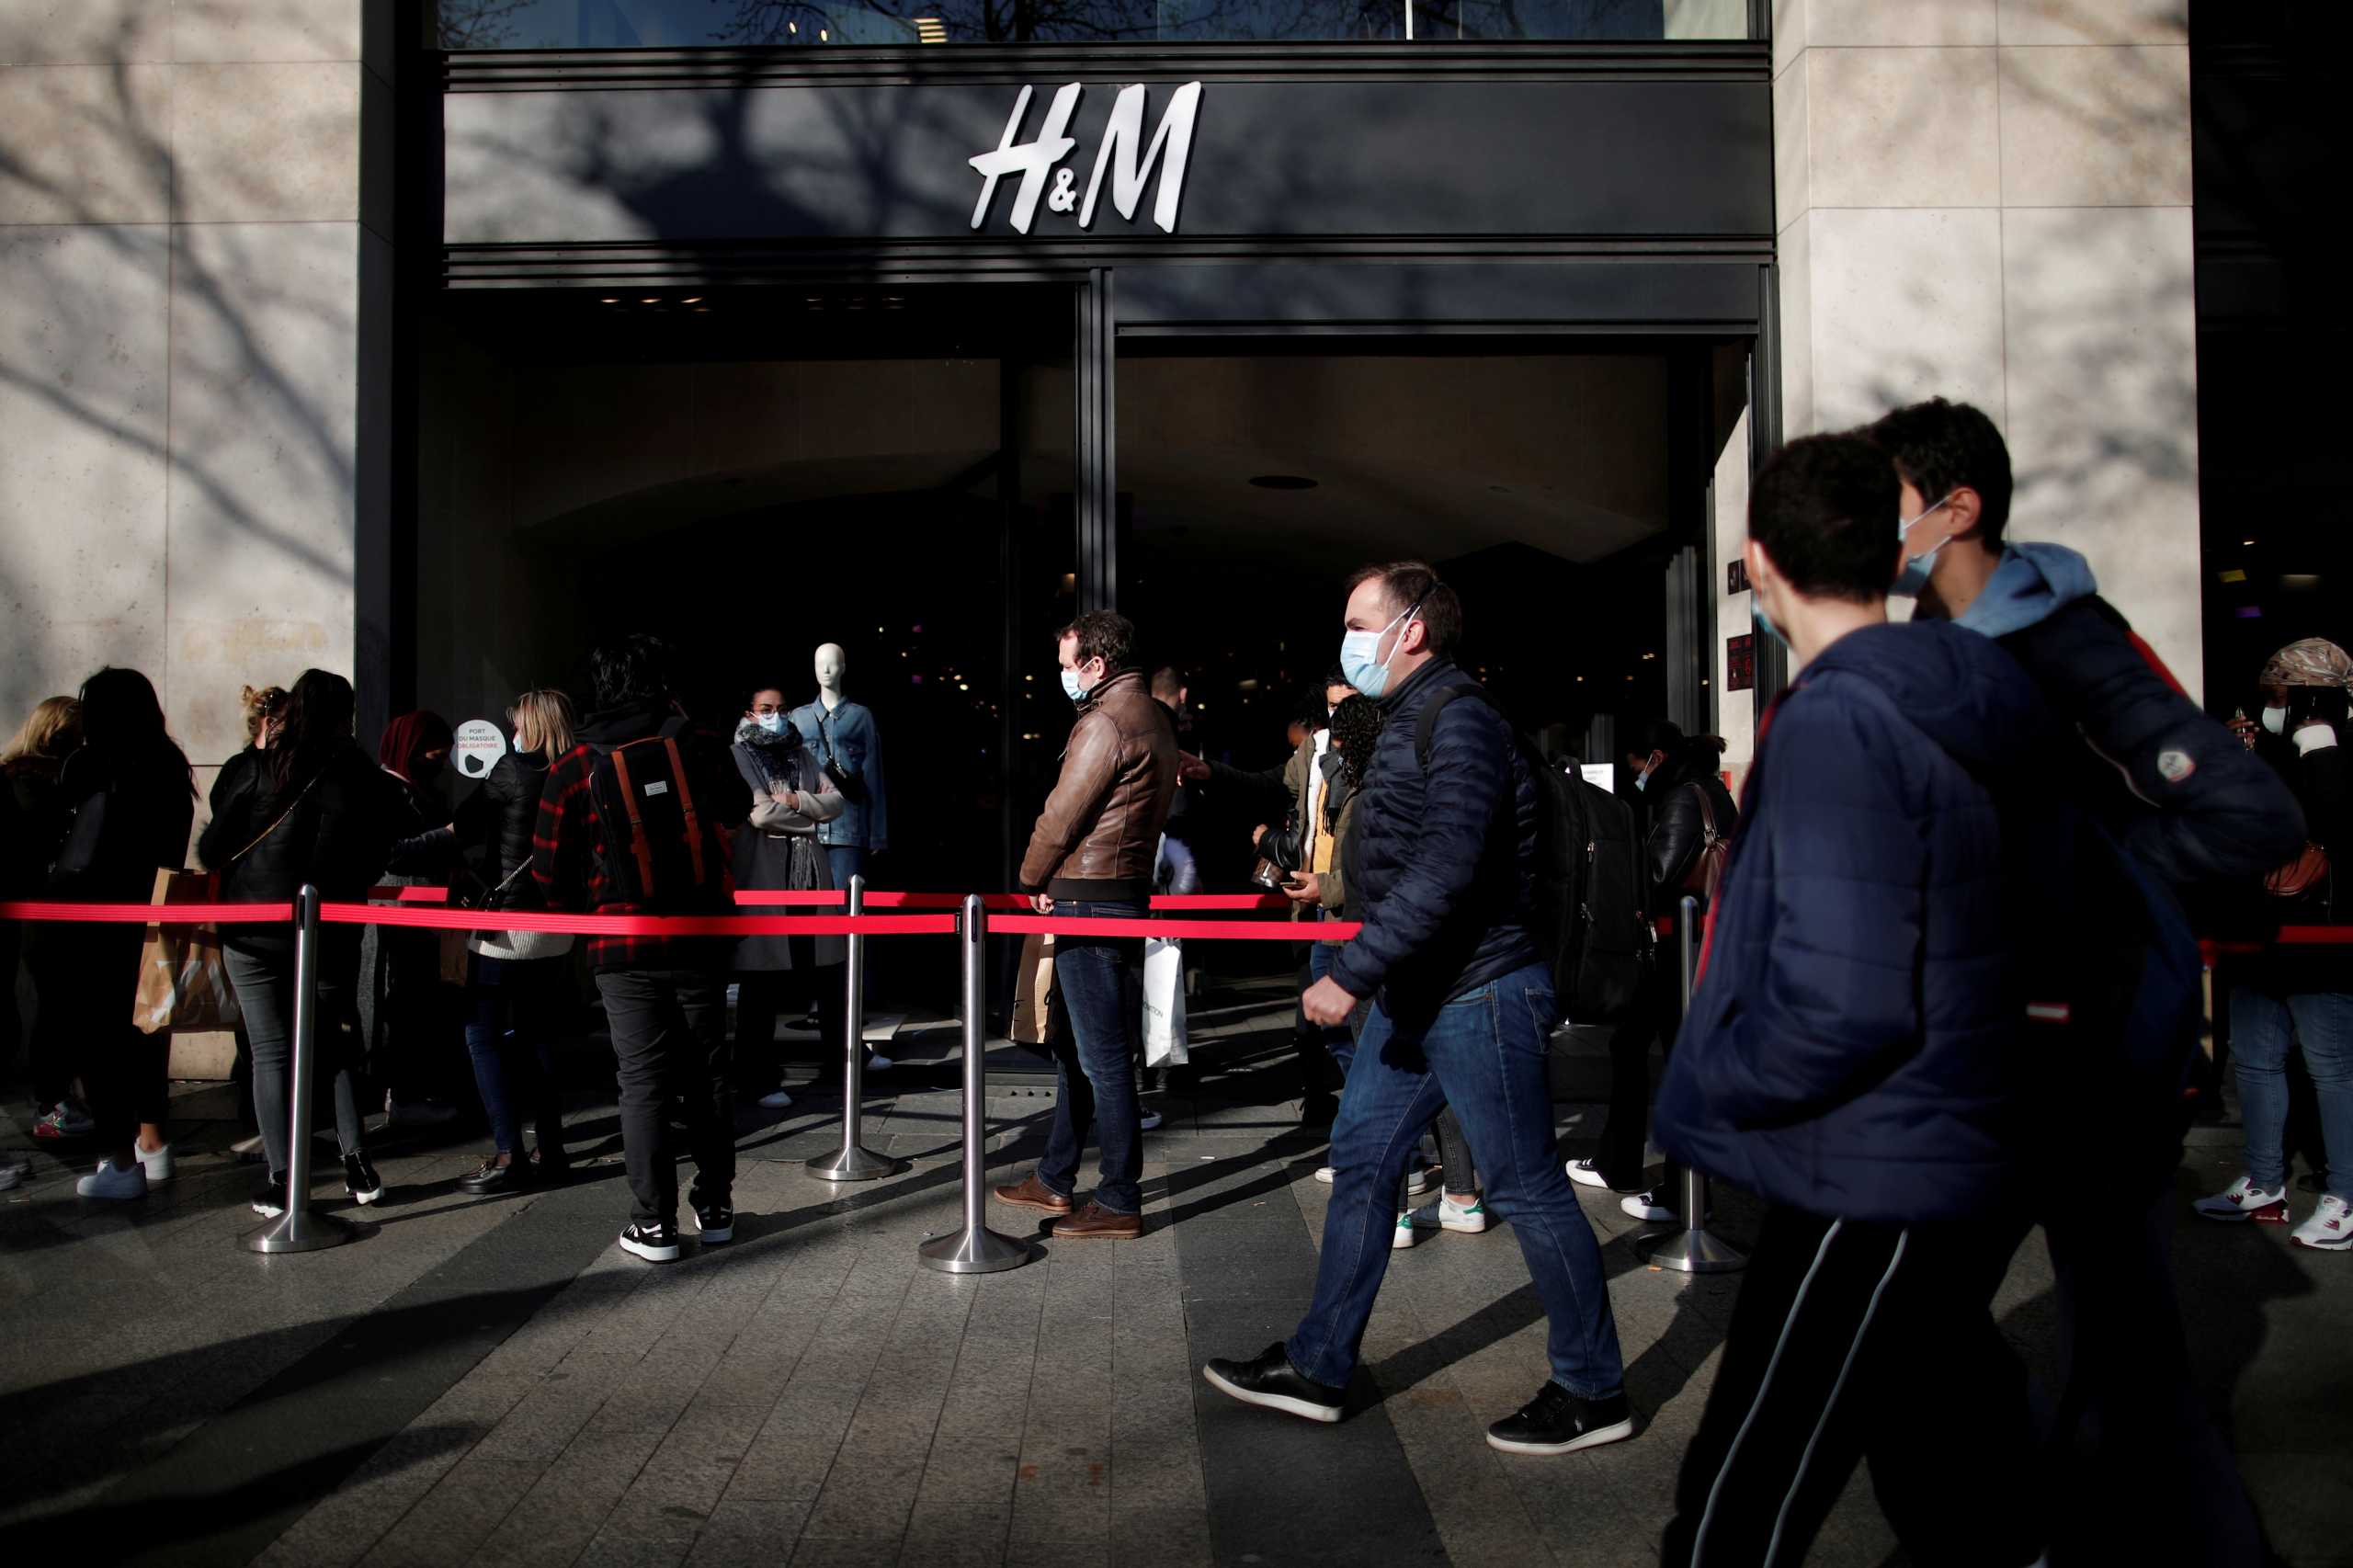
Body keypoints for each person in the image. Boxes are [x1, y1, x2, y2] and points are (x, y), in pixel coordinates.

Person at [1654, 433, 2088, 1567]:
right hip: (1950, 1126)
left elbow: (1844, 1002)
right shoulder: (1971, 691)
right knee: (1944, 1446)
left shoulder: (1844, 718)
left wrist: (1713, 1079)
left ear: (1757, 561)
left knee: (1746, 1482)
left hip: (1873, 1150)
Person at [1871, 396, 2285, 1565]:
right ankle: (2027, 1521)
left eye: (1881, 501)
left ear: (1955, 510)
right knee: (1999, 1331)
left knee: (2105, 1353)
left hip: (2088, 1060)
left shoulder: (2062, 639)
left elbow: (2251, 811)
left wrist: (2082, 878)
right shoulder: (1943, 653)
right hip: (1995, 1052)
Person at [1203, 562, 1631, 1457]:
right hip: (1421, 996)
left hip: (1475, 992)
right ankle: (1320, 1365)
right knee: (1363, 1164)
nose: (1347, 638)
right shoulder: (1412, 717)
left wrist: (1349, 971)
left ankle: (1593, 1387)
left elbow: (1447, 867)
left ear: (1412, 631)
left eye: (1360, 621)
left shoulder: (1459, 717)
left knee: (1528, 1188)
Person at [533, 635, 752, 1264]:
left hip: (620, 942)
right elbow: (737, 811)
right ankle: (715, 1207)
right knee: (708, 1070)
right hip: (701, 935)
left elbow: (550, 870)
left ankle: (653, 1224)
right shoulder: (701, 744)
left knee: (643, 1080)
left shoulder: (573, 766)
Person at [993, 611, 1176, 1242]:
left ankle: (1120, 1197)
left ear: (1097, 665)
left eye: (1069, 664)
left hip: (1087, 902)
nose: (1064, 676)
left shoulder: (1104, 722)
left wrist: (1030, 879)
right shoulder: (1153, 716)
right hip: (1122, 897)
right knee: (1081, 1050)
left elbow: (1062, 814)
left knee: (1101, 1059)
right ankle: (1054, 1176)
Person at [1287, 691, 1484, 1246]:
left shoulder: (1376, 799)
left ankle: (1395, 1206)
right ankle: (1462, 1195)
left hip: (1375, 948)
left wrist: (1353, 972)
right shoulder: (1422, 789)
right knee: (1429, 1071)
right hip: (1423, 950)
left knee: (1382, 1079)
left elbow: (1374, 885)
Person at [201, 670, 396, 1215]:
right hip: (328, 927)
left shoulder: (264, 764)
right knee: (334, 1044)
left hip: (254, 926)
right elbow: (380, 846)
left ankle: (283, 1174)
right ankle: (358, 1161)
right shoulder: (357, 769)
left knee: (270, 1052)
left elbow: (214, 846)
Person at [2198, 637, 2352, 1250]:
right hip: (2259, 931)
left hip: (2323, 936)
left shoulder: (2332, 749)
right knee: (2256, 1059)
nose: (2269, 706)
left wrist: (2321, 744)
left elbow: (2335, 817)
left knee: (2331, 1064)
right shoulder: (2262, 745)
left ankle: (2344, 1196)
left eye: (2280, 695)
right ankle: (2264, 1182)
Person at [1569, 718, 1736, 1220]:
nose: (1634, 775)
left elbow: (1660, 874)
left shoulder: (1684, 797)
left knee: (1656, 1055)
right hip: (1695, 947)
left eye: (1637, 765)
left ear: (1656, 758)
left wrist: (1620, 879)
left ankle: (1680, 1194)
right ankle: (1627, 1166)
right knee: (1637, 1047)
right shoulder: (1710, 789)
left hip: (1674, 951)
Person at [1180, 667, 1360, 1123]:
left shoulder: (1386, 759)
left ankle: (1401, 1155)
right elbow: (1269, 783)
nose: (1341, 717)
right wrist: (1210, 772)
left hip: (1359, 912)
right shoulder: (1314, 751)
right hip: (1316, 911)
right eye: (1334, 707)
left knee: (1372, 1034)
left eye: (1351, 705)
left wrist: (1332, 884)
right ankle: (1369, 1139)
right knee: (1328, 1027)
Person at [44, 671, 198, 1200]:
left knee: (98, 1041)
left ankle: (119, 1160)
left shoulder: (92, 764)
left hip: (93, 919)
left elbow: (65, 842)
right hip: (151, 913)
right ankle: (153, 1143)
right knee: (145, 1031)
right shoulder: (171, 765)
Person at [454, 690, 578, 1196]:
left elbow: (465, 823)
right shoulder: (577, 772)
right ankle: (552, 1148)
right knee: (539, 1036)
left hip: (507, 927)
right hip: (559, 925)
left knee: (481, 1036)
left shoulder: (509, 771)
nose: (513, 732)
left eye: (517, 724)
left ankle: (509, 1153)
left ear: (531, 726)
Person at [733, 684, 848, 1113]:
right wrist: (808, 817)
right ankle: (756, 1075)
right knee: (760, 981)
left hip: (806, 876)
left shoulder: (800, 752)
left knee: (827, 968)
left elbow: (836, 801)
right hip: (764, 875)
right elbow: (759, 812)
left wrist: (797, 800)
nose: (775, 716)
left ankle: (842, 1059)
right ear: (750, 712)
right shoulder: (740, 752)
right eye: (766, 709)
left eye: (780, 709)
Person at [365, 710, 463, 1127]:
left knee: (420, 1002)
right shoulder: (386, 790)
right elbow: (391, 851)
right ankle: (398, 1095)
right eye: (432, 753)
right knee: (400, 1001)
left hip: (424, 915)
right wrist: (448, 835)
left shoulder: (421, 789)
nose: (438, 762)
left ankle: (410, 1090)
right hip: (398, 914)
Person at [6, 695, 87, 1142]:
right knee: (56, 1006)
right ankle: (51, 1100)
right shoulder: (31, 780)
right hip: (43, 906)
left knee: (57, 1006)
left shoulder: (24, 775)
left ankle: (56, 1096)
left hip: (43, 905)